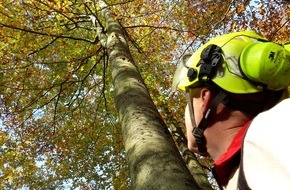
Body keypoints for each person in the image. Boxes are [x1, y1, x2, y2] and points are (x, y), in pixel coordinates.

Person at [172, 31, 290, 189]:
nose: (186, 110)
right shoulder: (249, 163)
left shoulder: (275, 131)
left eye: (188, 99)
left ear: (205, 99)